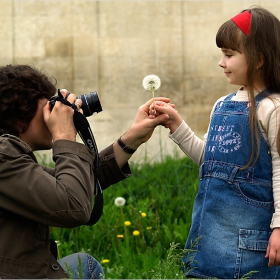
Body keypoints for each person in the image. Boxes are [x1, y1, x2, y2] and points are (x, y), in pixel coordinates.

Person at [0, 64, 171, 279]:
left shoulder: (10, 160)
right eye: (47, 108)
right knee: (86, 266)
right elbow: (72, 205)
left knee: (84, 263)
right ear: (19, 118)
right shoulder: (3, 157)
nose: (53, 115)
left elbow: (73, 183)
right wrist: (64, 136)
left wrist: (131, 138)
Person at [150, 6, 280, 279]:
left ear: (258, 59)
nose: (221, 62)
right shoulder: (222, 105)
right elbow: (209, 161)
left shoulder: (272, 109)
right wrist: (175, 124)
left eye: (229, 55)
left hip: (252, 248)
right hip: (208, 238)